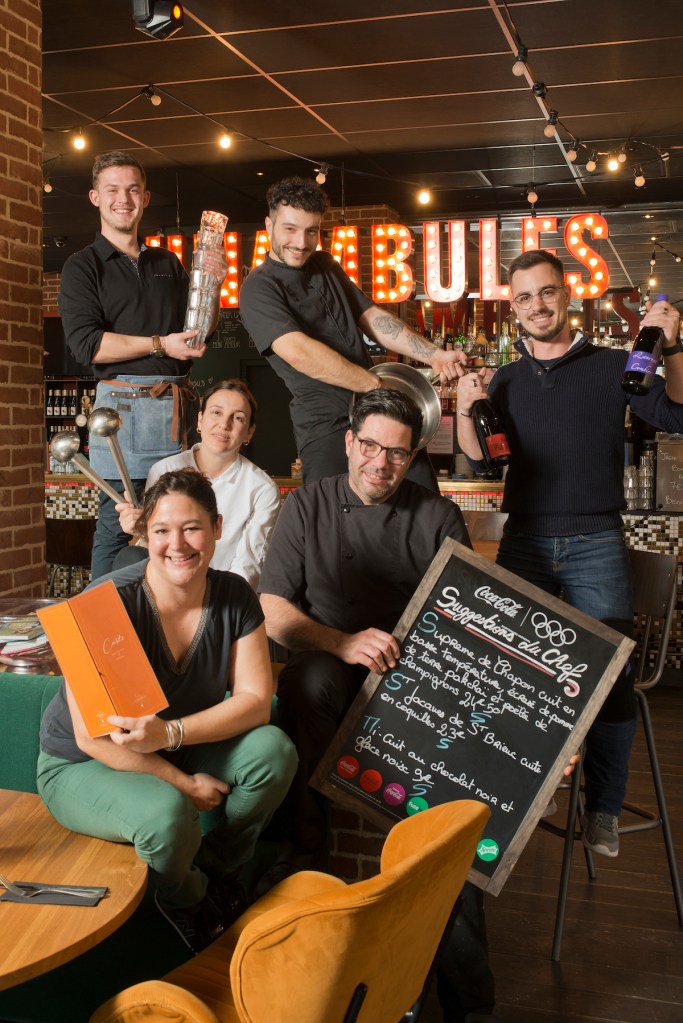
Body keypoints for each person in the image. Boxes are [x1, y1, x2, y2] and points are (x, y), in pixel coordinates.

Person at [258, 388, 497, 1022]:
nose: (380, 463)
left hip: (417, 683)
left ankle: (466, 1000)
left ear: (412, 456)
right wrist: (341, 642)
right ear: (349, 442)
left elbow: (472, 625)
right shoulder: (306, 504)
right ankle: (305, 854)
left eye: (396, 453)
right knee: (308, 681)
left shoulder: (437, 516)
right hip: (329, 664)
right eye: (370, 446)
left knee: (447, 823)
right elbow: (274, 610)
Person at [456, 248, 683, 858]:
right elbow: (479, 459)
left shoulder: (614, 365)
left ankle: (603, 808)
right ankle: (528, 783)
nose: (537, 305)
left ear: (568, 294)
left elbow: (676, 414)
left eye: (547, 291)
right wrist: (465, 403)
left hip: (595, 541)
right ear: (513, 308)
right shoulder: (504, 380)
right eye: (524, 297)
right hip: (524, 540)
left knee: (610, 677)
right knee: (509, 673)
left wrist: (673, 346)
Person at [37, 468, 298, 954]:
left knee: (274, 752)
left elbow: (255, 703)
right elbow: (92, 738)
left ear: (217, 528)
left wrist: (169, 735)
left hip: (172, 743)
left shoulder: (235, 594)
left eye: (192, 528)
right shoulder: (103, 604)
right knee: (168, 813)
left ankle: (220, 868)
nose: (176, 545)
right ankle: (188, 900)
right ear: (145, 535)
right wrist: (184, 783)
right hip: (83, 763)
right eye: (161, 530)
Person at [59, 150, 224, 579]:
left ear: (146, 198)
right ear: (95, 197)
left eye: (133, 190)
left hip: (177, 413)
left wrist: (212, 287)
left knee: (179, 524)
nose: (123, 199)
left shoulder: (167, 262)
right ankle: (100, 618)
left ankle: (167, 615)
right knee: (119, 527)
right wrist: (160, 344)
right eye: (113, 189)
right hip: (122, 416)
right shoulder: (82, 266)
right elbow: (87, 345)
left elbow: (197, 332)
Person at [239, 176, 466, 489]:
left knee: (424, 501)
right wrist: (375, 385)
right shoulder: (258, 286)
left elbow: (372, 317)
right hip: (326, 424)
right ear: (269, 225)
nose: (301, 242)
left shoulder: (325, 265)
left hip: (377, 411)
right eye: (290, 229)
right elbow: (298, 351)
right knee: (335, 513)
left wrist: (434, 355)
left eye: (311, 231)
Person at [115, 380, 280, 589]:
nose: (224, 424)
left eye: (238, 418)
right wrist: (138, 528)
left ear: (249, 431)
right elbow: (151, 545)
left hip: (219, 593)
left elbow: (248, 566)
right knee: (128, 559)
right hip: (164, 587)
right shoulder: (164, 469)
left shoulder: (262, 489)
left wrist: (217, 603)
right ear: (200, 420)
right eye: (216, 412)